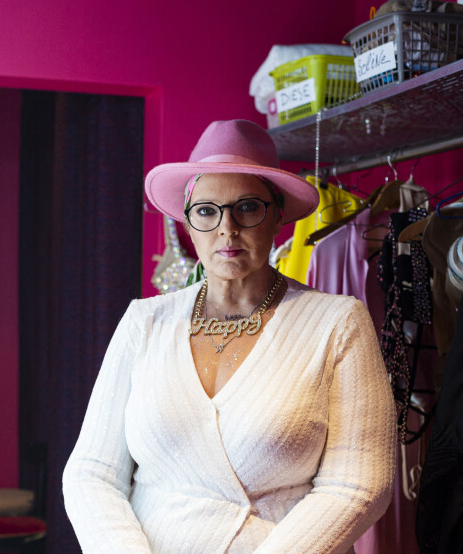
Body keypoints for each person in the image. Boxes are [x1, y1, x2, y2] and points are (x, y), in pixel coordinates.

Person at [63, 119, 396, 553]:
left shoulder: (337, 323)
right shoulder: (145, 322)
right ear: (187, 223)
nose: (227, 228)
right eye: (206, 210)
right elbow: (92, 471)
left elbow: (359, 484)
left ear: (277, 214)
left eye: (247, 207)